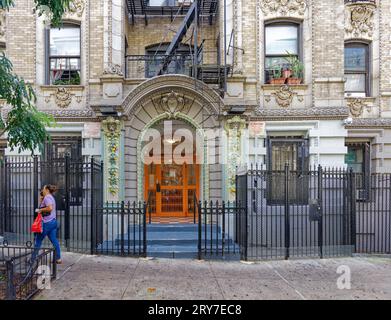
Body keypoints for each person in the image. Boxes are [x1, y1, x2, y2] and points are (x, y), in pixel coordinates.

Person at [32, 185, 62, 264]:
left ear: (47, 190)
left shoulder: (47, 197)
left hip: (46, 223)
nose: (42, 190)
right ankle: (58, 258)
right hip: (53, 222)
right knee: (54, 240)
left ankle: (32, 259)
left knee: (38, 240)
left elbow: (50, 208)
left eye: (43, 189)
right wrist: (41, 199)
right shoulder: (50, 197)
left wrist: (40, 209)